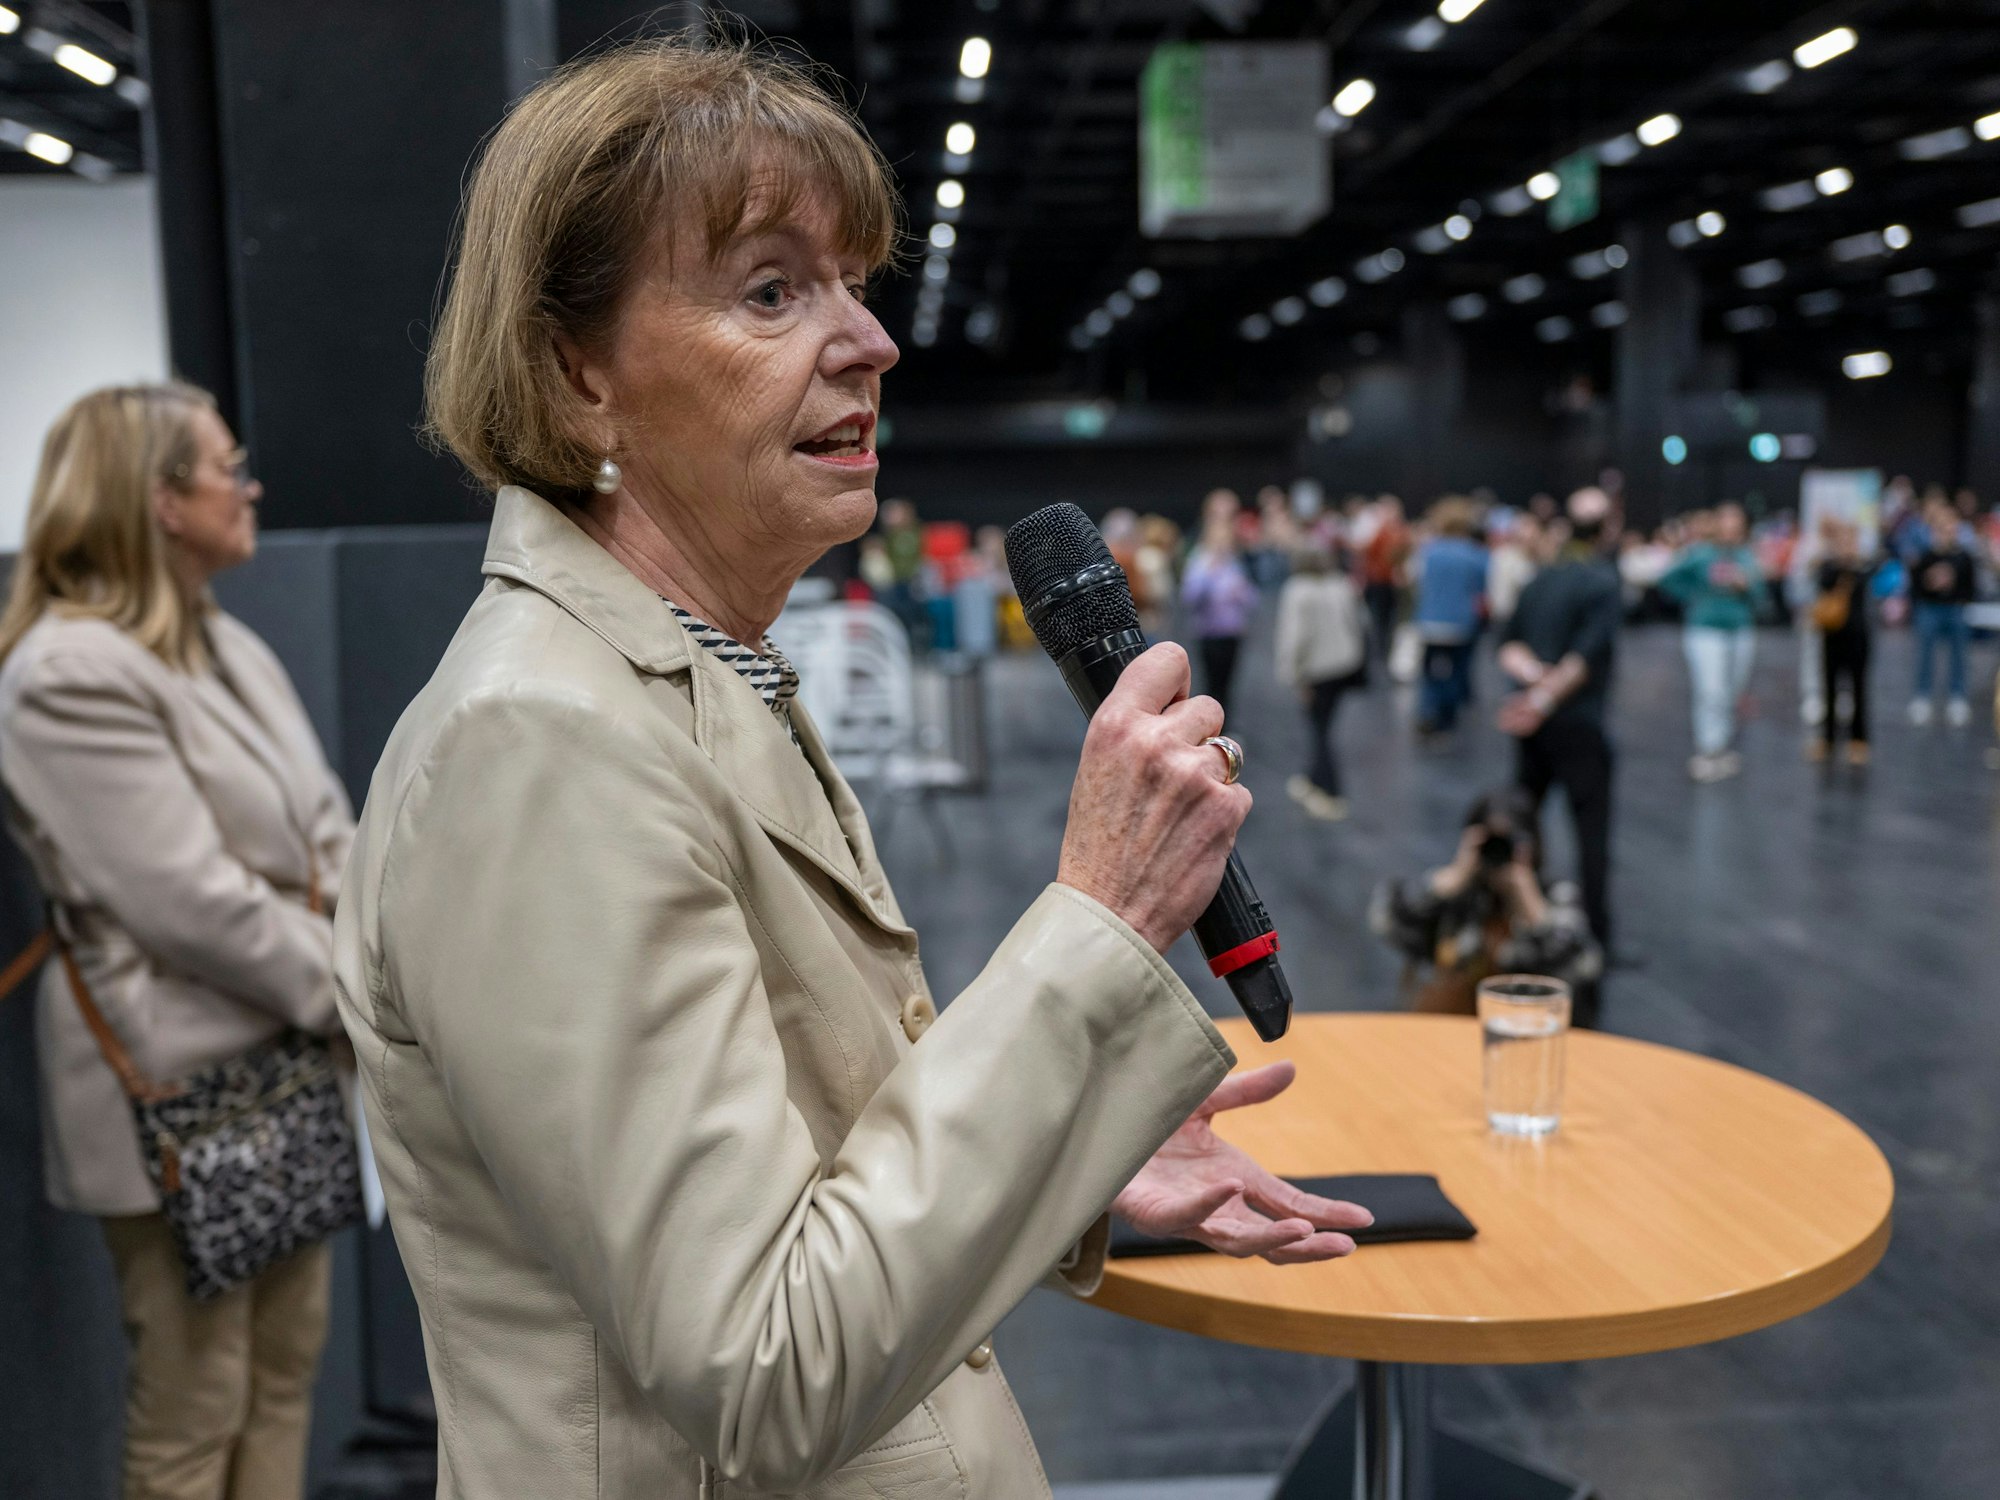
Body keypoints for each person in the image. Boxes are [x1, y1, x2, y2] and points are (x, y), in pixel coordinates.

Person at [345, 41, 1370, 1500]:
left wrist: (1069, 1150)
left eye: (852, 284)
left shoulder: (699, 669)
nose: (871, 341)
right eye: (771, 291)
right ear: (580, 375)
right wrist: (1100, 922)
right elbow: (766, 1366)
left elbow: (812, 1146)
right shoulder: (541, 745)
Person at [0, 383, 356, 1500]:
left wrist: (358, 953)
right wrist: (363, 993)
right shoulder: (66, 675)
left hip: (284, 1071)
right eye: (226, 466)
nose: (248, 487)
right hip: (181, 1098)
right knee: (195, 1409)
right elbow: (191, 904)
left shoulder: (220, 639)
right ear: (159, 501)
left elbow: (323, 833)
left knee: (284, 1374)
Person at [1495, 487, 1622, 961]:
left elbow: (1509, 647)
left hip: (1535, 729)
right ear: (1608, 529)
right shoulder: (1604, 582)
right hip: (1578, 724)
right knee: (1591, 830)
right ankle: (1596, 938)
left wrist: (1533, 688)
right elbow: (1586, 656)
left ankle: (1522, 920)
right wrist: (1545, 698)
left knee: (1524, 821)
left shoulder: (1539, 580)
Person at [1369, 788, 1603, 1026]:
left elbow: (1582, 968)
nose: (1498, 853)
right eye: (1490, 842)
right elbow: (1387, 921)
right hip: (1454, 1032)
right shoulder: (1458, 899)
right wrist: (1450, 879)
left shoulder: (1555, 895)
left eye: (1507, 843)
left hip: (1529, 1027)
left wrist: (1529, 902)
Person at [1662, 501, 1762, 782]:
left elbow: (1761, 595)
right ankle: (1709, 750)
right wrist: (1694, 596)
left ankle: (1722, 746)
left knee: (1732, 691)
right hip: (1705, 631)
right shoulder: (1701, 555)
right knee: (1711, 690)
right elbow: (1669, 578)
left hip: (1740, 630)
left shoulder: (1746, 557)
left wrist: (1748, 586)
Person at [1272, 546, 1367, 821]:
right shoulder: (1341, 584)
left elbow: (1295, 636)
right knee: (1324, 724)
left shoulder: (1298, 590)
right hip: (1343, 665)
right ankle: (1313, 779)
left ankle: (1331, 792)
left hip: (1316, 671)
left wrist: (1293, 675)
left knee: (1320, 730)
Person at [1411, 496, 1489, 735]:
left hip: (1429, 620)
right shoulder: (1476, 554)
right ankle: (1446, 717)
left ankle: (1427, 710)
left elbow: (1416, 581)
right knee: (1456, 671)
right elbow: (1481, 590)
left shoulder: (1428, 551)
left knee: (1428, 671)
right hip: (1462, 621)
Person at [1181, 487, 1260, 717]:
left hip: (1233, 631)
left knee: (1228, 685)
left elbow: (1251, 597)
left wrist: (1240, 592)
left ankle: (1225, 726)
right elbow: (1190, 596)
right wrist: (1209, 575)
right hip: (1208, 632)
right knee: (1211, 684)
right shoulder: (1200, 560)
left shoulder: (1235, 562)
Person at [1809, 519, 1875, 765]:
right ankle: (1827, 739)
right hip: (1832, 636)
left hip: (1858, 637)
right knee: (1829, 687)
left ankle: (1859, 739)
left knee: (1858, 688)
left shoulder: (1863, 569)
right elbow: (1822, 582)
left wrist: (1853, 564)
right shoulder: (1829, 568)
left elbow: (1870, 581)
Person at [1907, 496, 1977, 727]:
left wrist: (1957, 594)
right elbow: (1915, 585)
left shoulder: (1963, 557)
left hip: (1955, 609)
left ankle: (1957, 696)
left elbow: (1970, 586)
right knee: (1925, 654)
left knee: (1959, 655)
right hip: (1930, 609)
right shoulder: (1926, 556)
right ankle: (1922, 695)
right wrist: (1928, 582)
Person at [1359, 494, 1410, 666]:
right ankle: (1381, 653)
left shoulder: (1395, 531)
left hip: (1388, 582)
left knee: (1388, 620)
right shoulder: (1380, 530)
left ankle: (1386, 653)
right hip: (1377, 580)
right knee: (1378, 620)